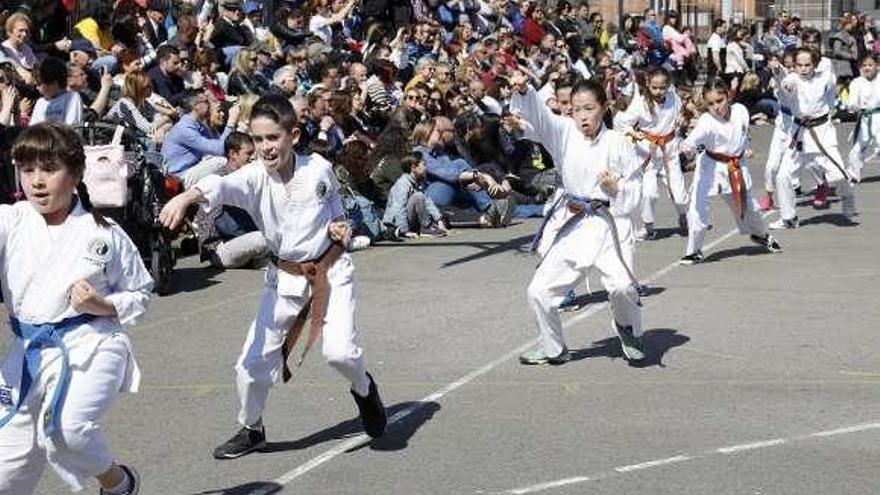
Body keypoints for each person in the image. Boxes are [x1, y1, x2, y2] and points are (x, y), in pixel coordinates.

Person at [159, 94, 387, 460]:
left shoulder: (318, 168)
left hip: (331, 271)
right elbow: (217, 187)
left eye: (272, 138)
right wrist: (185, 198)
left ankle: (364, 390)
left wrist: (341, 226)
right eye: (258, 140)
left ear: (293, 135)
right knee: (250, 366)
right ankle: (252, 428)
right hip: (283, 280)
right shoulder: (252, 178)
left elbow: (335, 207)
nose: (265, 148)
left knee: (340, 354)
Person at [0, 123, 153, 495]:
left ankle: (119, 484)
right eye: (27, 169)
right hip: (27, 351)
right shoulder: (11, 220)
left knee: (67, 430)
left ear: (76, 173)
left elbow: (140, 293)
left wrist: (101, 304)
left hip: (91, 342)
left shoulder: (104, 234)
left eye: (49, 169)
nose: (37, 181)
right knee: (4, 475)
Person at [508, 72, 647, 364]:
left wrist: (615, 188)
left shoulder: (618, 141)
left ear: (604, 107)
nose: (582, 116)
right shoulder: (564, 132)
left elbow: (635, 189)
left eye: (589, 108)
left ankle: (627, 328)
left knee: (622, 287)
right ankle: (553, 347)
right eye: (576, 109)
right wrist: (524, 90)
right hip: (576, 223)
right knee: (538, 291)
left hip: (611, 223)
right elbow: (542, 119)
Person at [678, 78, 782, 263]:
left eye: (720, 101)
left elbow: (742, 132)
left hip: (736, 166)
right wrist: (686, 147)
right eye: (710, 104)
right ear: (705, 104)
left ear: (728, 96)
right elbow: (692, 141)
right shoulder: (706, 121)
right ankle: (694, 250)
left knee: (750, 208)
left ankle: (760, 235)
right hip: (710, 168)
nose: (716, 107)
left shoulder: (741, 110)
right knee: (697, 209)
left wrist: (744, 148)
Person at [771, 48, 859, 229]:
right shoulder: (792, 79)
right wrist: (779, 73)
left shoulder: (824, 77)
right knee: (783, 176)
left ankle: (848, 197)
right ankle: (789, 218)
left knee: (838, 175)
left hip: (822, 133)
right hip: (799, 133)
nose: (803, 68)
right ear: (794, 66)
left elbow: (832, 84)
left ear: (815, 65)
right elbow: (785, 84)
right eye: (799, 65)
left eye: (807, 65)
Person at [614, 66, 689, 239]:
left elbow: (679, 115)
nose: (659, 91)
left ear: (668, 85)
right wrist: (632, 132)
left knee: (678, 191)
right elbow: (620, 122)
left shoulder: (673, 98)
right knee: (649, 193)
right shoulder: (640, 103)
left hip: (669, 151)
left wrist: (681, 120)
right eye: (655, 87)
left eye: (662, 87)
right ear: (648, 84)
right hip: (647, 152)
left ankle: (683, 216)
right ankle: (648, 227)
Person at [162, 89, 241, 188]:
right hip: (179, 178)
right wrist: (231, 122)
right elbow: (220, 150)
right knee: (220, 161)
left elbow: (218, 146)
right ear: (195, 106)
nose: (209, 105)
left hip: (193, 170)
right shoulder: (184, 128)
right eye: (206, 101)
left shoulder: (199, 125)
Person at [382, 153, 448, 239]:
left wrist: (439, 219)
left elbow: (428, 202)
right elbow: (399, 208)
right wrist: (404, 231)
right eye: (423, 165)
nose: (425, 168)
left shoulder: (418, 182)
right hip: (396, 223)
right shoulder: (403, 183)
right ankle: (425, 227)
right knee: (418, 196)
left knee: (421, 196)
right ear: (413, 168)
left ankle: (428, 226)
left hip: (409, 219)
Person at [846, 54, 880, 181]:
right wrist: (853, 106)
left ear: (877, 66)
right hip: (865, 119)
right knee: (857, 150)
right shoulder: (857, 82)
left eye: (870, 65)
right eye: (864, 65)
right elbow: (852, 101)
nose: (867, 68)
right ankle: (854, 175)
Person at [30, 58, 84, 127]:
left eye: (40, 84)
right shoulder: (40, 103)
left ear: (54, 83)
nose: (37, 88)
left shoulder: (72, 98)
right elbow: (33, 129)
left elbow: (72, 126)